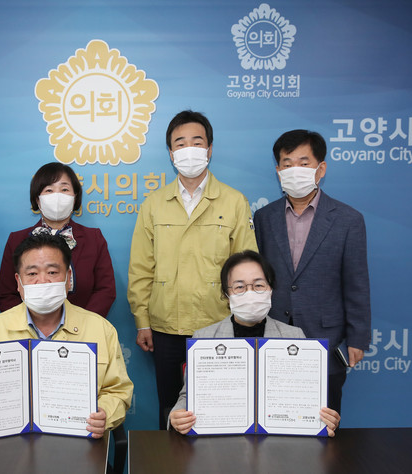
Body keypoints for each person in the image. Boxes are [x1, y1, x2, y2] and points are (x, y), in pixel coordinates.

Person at [127, 110, 258, 429]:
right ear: (171, 153)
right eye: (180, 143)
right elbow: (141, 268)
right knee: (170, 410)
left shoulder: (234, 202)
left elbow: (246, 268)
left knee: (220, 409)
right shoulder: (154, 204)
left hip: (218, 324)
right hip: (166, 327)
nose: (189, 150)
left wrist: (242, 320)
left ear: (209, 149)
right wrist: (143, 321)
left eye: (197, 142)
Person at [0, 233, 133, 447]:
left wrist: (104, 413)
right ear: (18, 282)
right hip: (7, 447)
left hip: (77, 444)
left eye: (52, 272)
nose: (43, 281)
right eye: (32, 273)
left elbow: (118, 392)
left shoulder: (101, 329)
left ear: (68, 278)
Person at [253, 129, 371, 414]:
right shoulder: (264, 218)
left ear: (321, 169)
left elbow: (356, 283)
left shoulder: (348, 220)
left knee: (324, 423)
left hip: (325, 340)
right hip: (273, 337)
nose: (295, 170)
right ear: (278, 171)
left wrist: (357, 338)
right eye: (287, 163)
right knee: (274, 418)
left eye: (304, 163)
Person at [168, 250, 341, 437]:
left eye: (258, 285)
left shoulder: (294, 336)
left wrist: (324, 419)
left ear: (270, 289)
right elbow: (188, 395)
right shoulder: (204, 338)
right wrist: (177, 416)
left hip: (278, 442)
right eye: (239, 287)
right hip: (222, 440)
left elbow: (307, 397)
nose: (250, 293)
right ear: (226, 293)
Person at [0, 162, 115, 317]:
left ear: (75, 197)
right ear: (37, 199)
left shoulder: (94, 238)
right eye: (49, 190)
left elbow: (105, 290)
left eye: (64, 189)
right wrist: (31, 324)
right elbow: (6, 294)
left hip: (83, 327)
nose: (57, 196)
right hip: (28, 328)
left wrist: (83, 323)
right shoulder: (16, 240)